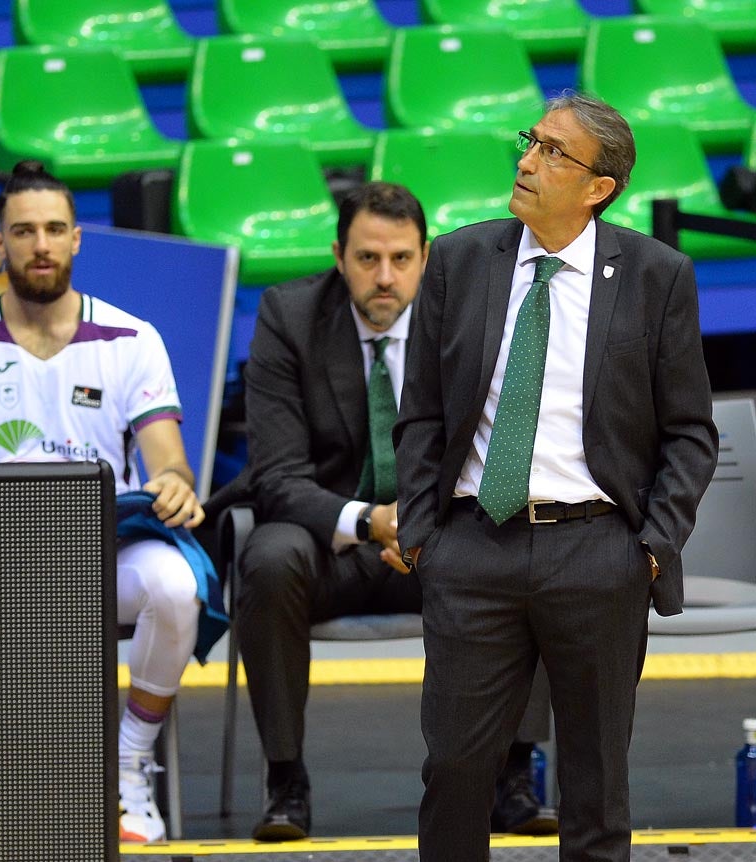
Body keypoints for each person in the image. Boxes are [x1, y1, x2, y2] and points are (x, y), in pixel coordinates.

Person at [395, 92, 719, 861]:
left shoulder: (654, 275)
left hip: (596, 550)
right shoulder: (459, 259)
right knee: (452, 769)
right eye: (529, 142)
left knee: (594, 783)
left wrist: (648, 547)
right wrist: (422, 535)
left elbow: (689, 432)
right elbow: (421, 414)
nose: (526, 162)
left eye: (552, 153)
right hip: (472, 549)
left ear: (597, 186)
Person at [223, 181, 556, 842]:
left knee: (539, 551)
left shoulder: (465, 316)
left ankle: (511, 774)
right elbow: (277, 476)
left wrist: (428, 523)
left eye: (400, 259)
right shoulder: (288, 317)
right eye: (366, 258)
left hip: (439, 543)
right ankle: (285, 780)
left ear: (426, 257)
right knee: (266, 555)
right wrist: (372, 522)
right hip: (328, 542)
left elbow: (498, 448)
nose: (384, 277)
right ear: (336, 255)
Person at [0, 159, 221, 844]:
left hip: (102, 558)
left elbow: (168, 458)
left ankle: (129, 765)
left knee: (174, 586)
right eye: (24, 231)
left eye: (54, 229)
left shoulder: (133, 339)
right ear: (0, 242)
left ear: (77, 239)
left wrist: (172, 483)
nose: (40, 245)